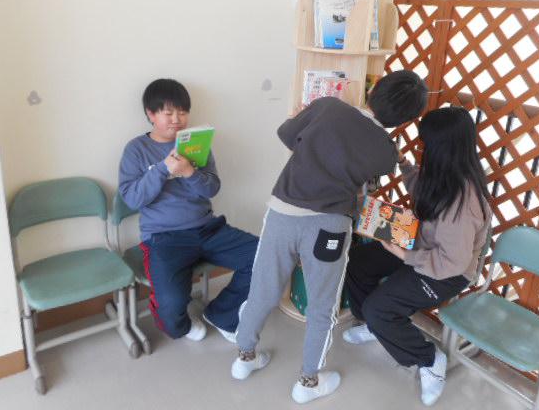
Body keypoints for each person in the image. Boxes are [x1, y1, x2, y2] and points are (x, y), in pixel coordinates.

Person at [232, 70, 428, 404]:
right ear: (405, 119)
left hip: (283, 213)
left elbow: (286, 135)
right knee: (322, 307)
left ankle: (244, 358)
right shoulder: (386, 151)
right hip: (330, 227)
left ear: (374, 90)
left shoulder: (327, 107)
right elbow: (365, 178)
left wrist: (304, 123)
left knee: (263, 289)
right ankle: (308, 382)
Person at [343, 106, 492, 406]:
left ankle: (428, 360)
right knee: (358, 262)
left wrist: (405, 255)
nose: (422, 149)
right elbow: (422, 188)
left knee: (380, 309)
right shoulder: (445, 172)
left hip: (448, 272)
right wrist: (403, 163)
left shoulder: (464, 204)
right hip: (420, 244)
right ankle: (375, 325)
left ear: (442, 149)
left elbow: (453, 263)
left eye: (426, 145)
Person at [119, 78, 258, 343]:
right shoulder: (136, 150)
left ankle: (221, 314)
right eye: (168, 113)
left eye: (182, 112)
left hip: (208, 229)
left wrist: (189, 172)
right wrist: (163, 169)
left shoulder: (197, 143)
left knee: (265, 258)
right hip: (164, 238)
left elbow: (212, 189)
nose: (177, 120)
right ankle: (180, 324)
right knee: (172, 312)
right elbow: (133, 199)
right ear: (151, 114)